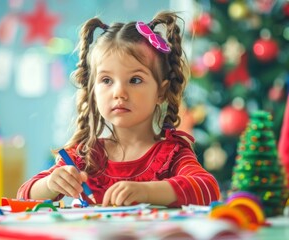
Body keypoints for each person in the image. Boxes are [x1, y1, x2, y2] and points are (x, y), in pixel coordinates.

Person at [17, 11, 220, 207]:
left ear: (161, 92)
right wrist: (50, 184)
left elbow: (208, 189)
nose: (119, 93)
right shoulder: (86, 155)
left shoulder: (172, 154)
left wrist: (147, 192)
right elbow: (24, 195)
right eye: (106, 80)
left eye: (135, 80)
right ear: (92, 91)